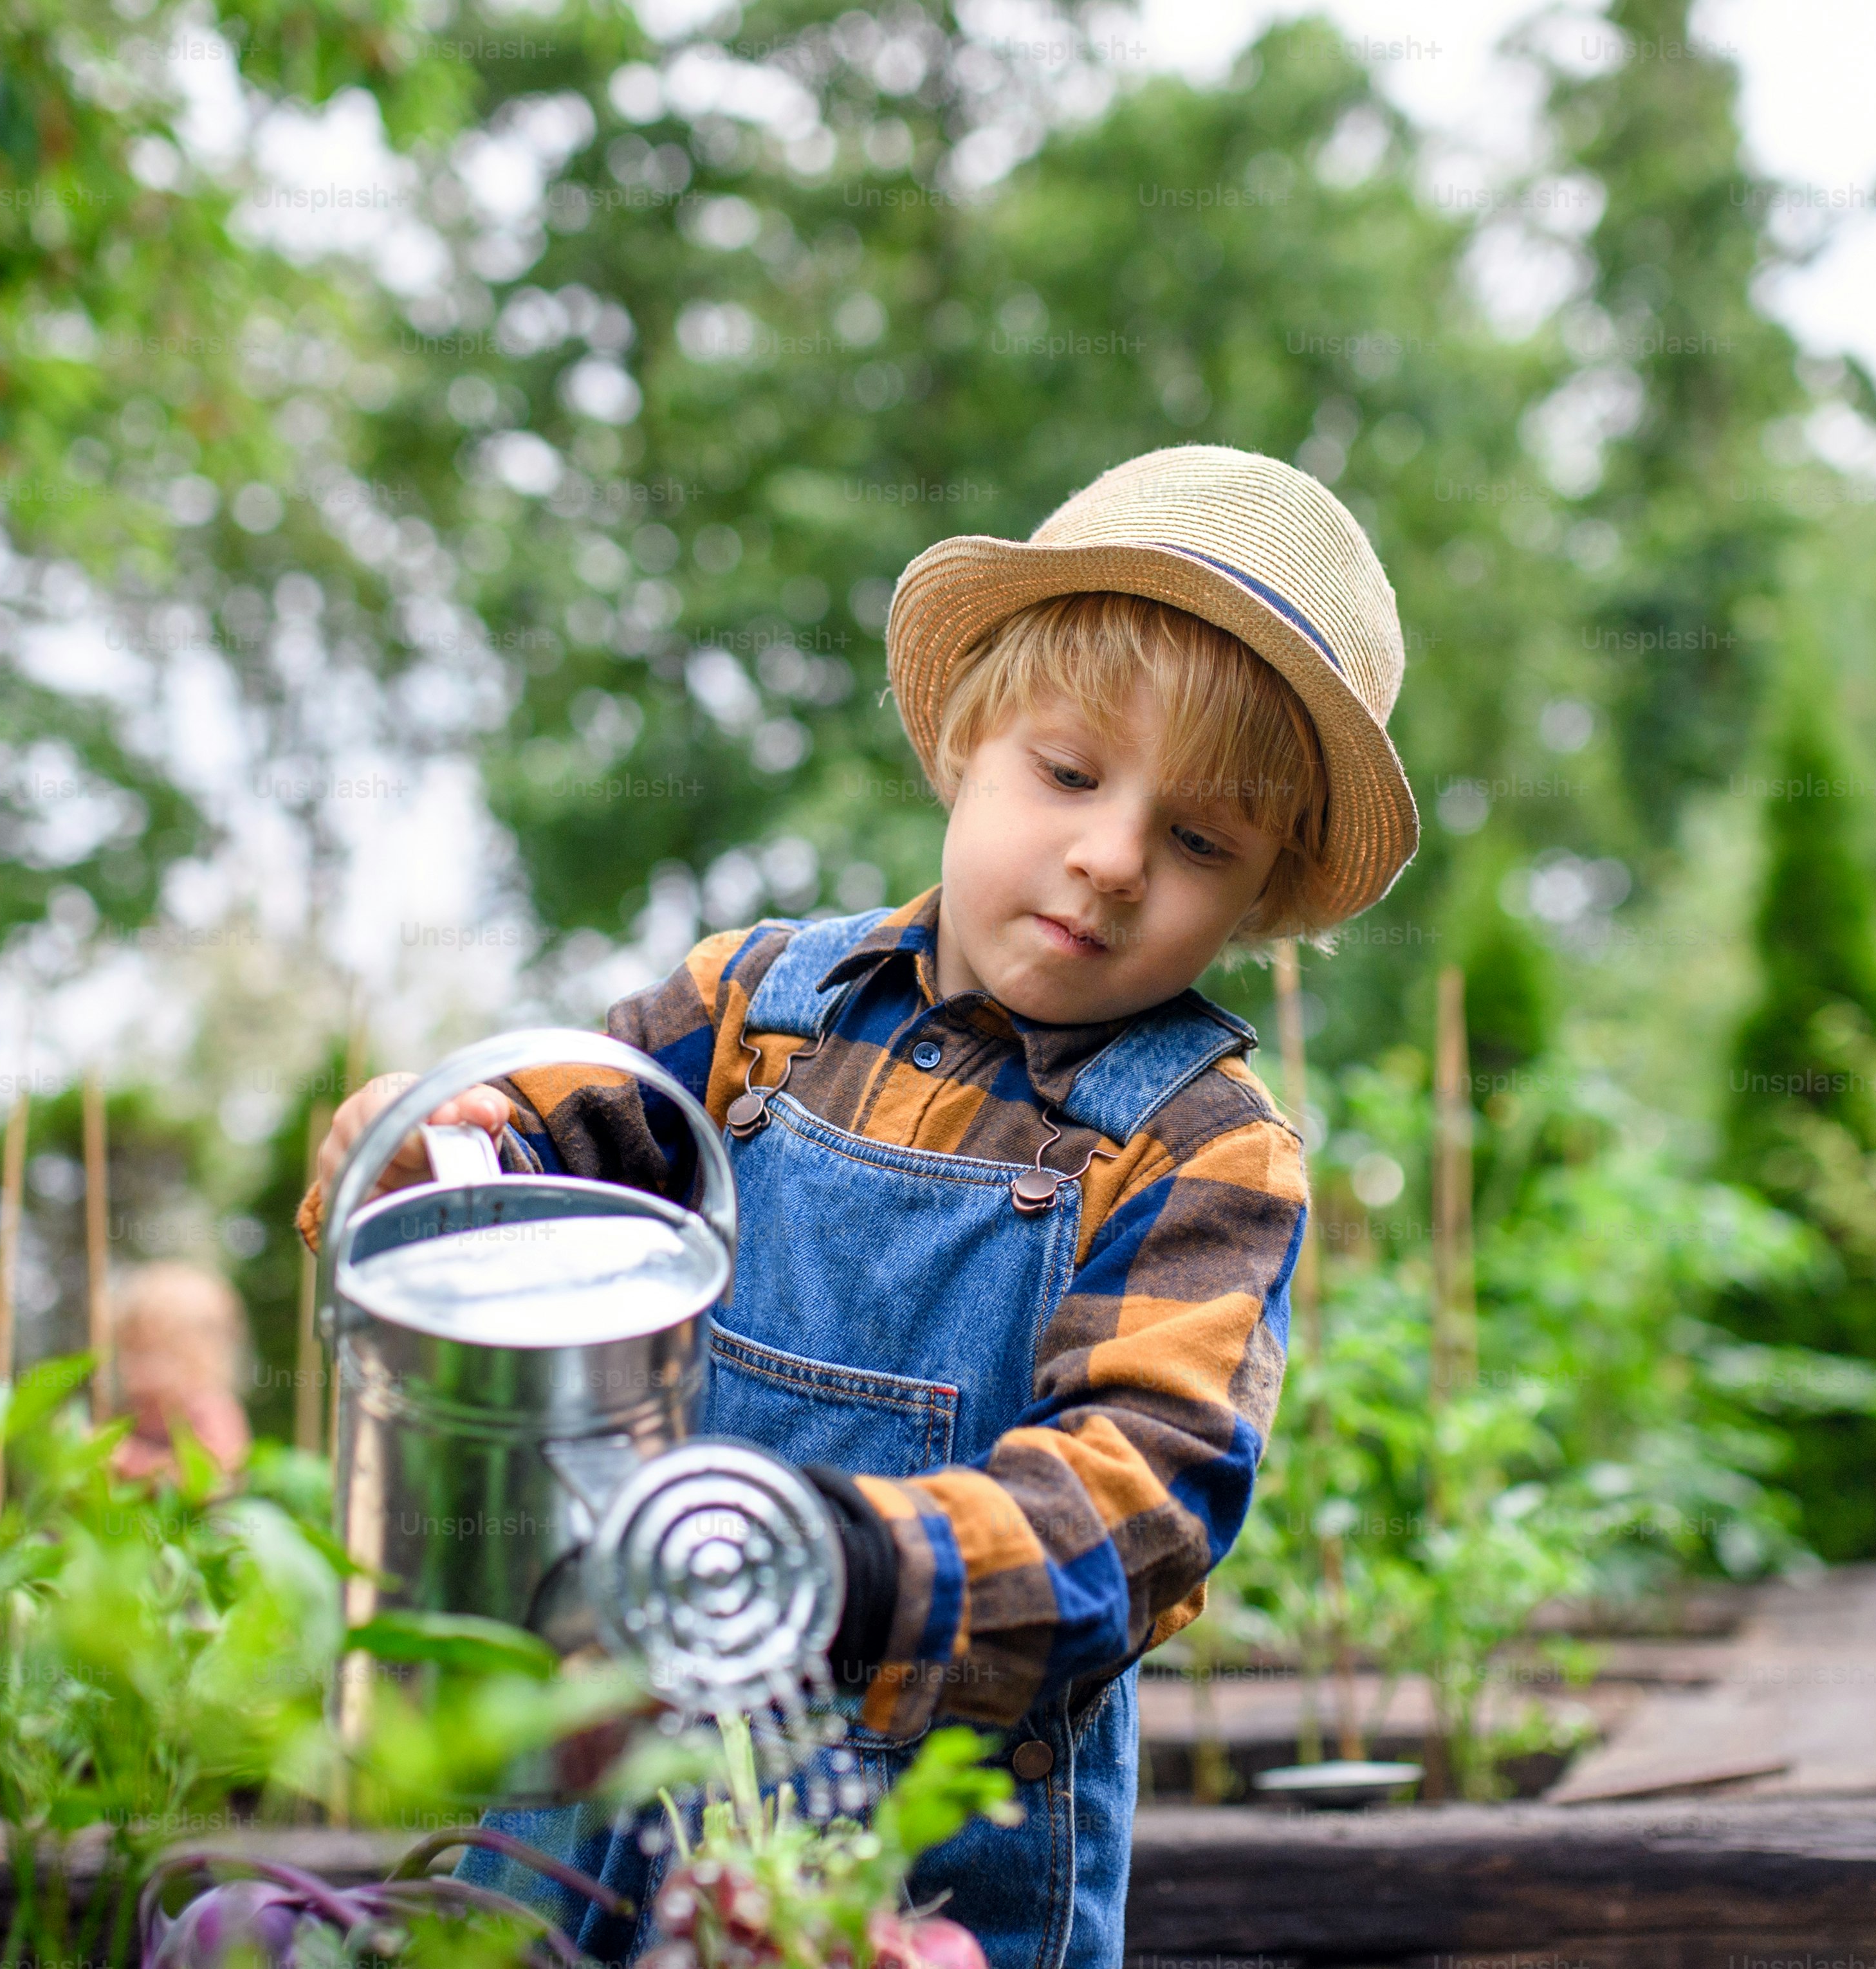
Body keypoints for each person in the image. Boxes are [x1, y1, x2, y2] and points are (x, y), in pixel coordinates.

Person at [302, 446, 1419, 1969]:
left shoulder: (1200, 1149)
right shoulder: (752, 1011)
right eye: (1071, 774)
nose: (1107, 859)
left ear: (1262, 896)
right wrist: (437, 1140)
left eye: (1197, 841)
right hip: (590, 1802)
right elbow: (545, 1181)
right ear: (968, 739)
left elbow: (1137, 1501)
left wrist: (833, 1559)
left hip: (921, 1869)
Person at [104, 1261, 255, 1486]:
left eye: (150, 1354)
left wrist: (131, 1462)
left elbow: (212, 1477)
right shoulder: (134, 1412)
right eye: (129, 1352)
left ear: (200, 1359)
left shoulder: (211, 1411)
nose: (133, 1367)